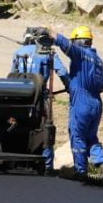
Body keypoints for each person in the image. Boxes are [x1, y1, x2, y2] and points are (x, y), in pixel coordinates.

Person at [53, 25, 103, 178]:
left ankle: (81, 171)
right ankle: (102, 162)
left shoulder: (81, 54)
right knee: (91, 137)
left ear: (79, 41)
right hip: (96, 104)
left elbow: (67, 46)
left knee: (77, 135)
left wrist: (51, 34)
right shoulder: (99, 61)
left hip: (81, 103)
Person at [11, 26, 69, 172]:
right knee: (45, 130)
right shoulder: (48, 53)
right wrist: (69, 87)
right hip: (41, 99)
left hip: (21, 99)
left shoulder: (18, 52)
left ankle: (20, 161)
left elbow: (12, 76)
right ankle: (46, 166)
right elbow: (62, 72)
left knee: (21, 127)